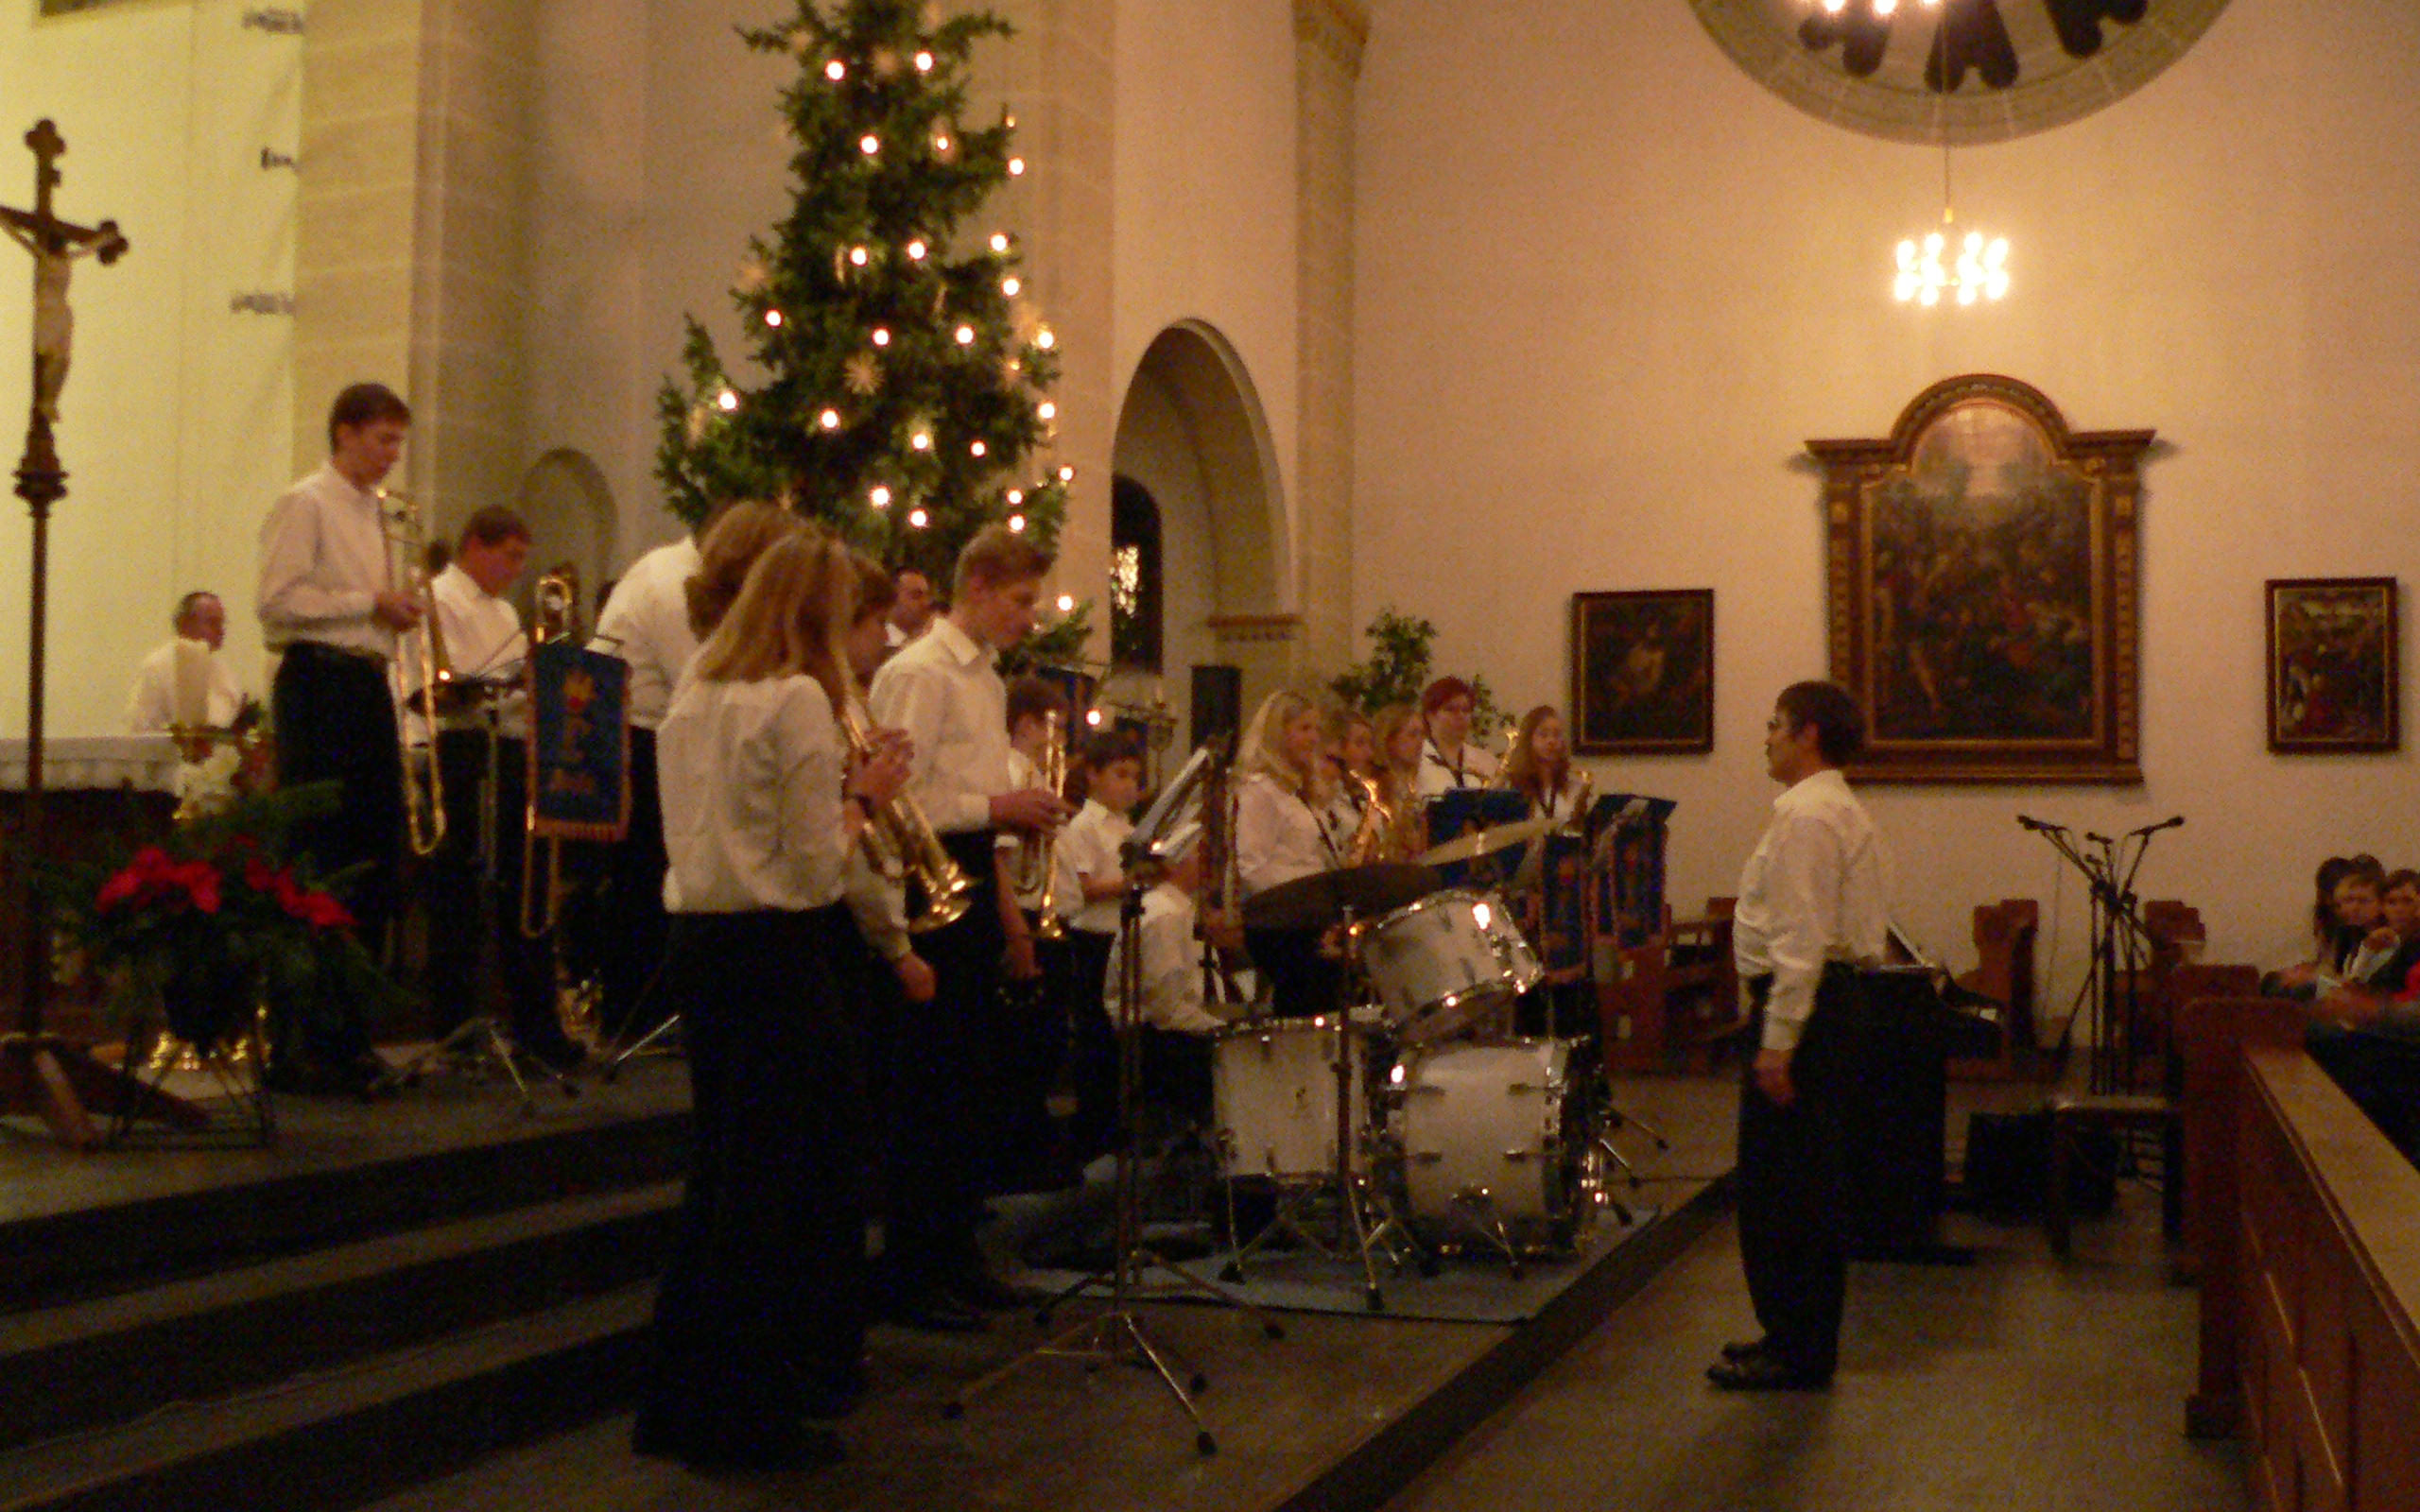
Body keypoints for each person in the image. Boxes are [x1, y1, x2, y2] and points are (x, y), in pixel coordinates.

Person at [631, 528, 911, 1473]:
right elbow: (814, 867)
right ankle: (747, 1415)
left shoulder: (695, 691)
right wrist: (863, 800)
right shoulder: (793, 698)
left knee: (720, 1178)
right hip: (774, 954)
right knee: (775, 1189)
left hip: (699, 944)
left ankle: (678, 1402)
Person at [866, 524, 1069, 1329]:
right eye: (1021, 600)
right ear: (976, 586)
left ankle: (955, 1252)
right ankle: (911, 1269)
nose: (1030, 616)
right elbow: (900, 797)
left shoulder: (983, 676)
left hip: (973, 874)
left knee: (966, 1081)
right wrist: (997, 806)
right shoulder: (920, 672)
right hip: (928, 883)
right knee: (926, 1082)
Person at [1712, 679, 1892, 1393]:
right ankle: (1791, 1334)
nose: (1767, 737)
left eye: (1776, 724)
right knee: (1797, 1182)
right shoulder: (1829, 807)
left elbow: (1801, 940)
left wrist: (1778, 1042)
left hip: (1808, 1015)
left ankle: (1798, 1348)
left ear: (1808, 733)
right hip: (1827, 1007)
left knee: (1785, 1190)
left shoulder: (1808, 816)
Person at [586, 503, 801, 1038]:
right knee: (644, 881)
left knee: (648, 878)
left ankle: (652, 1010)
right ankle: (638, 1015)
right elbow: (709, 674)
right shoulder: (670, 582)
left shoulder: (671, 570)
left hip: (648, 732)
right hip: (633, 739)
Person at [256, 382, 419, 1085]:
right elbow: (276, 601)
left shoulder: (378, 513)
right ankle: (300, 1043)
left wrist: (394, 612)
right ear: (345, 432)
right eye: (383, 439)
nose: (392, 454)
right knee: (320, 857)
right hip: (319, 686)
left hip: (364, 683)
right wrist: (369, 602)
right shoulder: (306, 502)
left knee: (370, 855)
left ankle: (349, 1034)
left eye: (397, 441)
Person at [402, 506, 586, 1072]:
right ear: (476, 546)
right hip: (461, 752)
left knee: (523, 889)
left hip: (509, 753)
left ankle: (534, 1023)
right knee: (459, 891)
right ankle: (456, 1026)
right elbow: (447, 683)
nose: (517, 569)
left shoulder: (505, 611)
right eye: (510, 556)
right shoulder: (439, 598)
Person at [1099, 830, 1236, 1134]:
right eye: (1200, 854)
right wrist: (1225, 1030)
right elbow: (1166, 1011)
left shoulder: (1174, 910)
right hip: (1156, 1042)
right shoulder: (1165, 916)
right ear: (1174, 864)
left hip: (1165, 1032)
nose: (1211, 862)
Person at [1057, 731, 1145, 1160]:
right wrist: (1132, 882)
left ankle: (1120, 1123)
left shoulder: (1128, 827)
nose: (1130, 786)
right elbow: (1085, 887)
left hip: (1122, 934)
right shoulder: (1084, 826)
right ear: (1092, 775)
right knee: (1096, 1034)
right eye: (1120, 775)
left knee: (1119, 1035)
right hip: (1094, 937)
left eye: (1135, 778)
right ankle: (1093, 1131)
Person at [1234, 689, 1343, 1017]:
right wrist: (1300, 904)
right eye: (1304, 728)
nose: (1314, 738)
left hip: (1310, 918)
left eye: (1316, 729)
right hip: (1281, 924)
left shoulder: (1299, 791)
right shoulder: (1260, 790)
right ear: (1278, 734)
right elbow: (1251, 866)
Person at [126, 591, 246, 732]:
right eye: (212, 623)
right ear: (185, 624)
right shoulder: (157, 667)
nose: (221, 631)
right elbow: (142, 726)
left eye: (222, 623)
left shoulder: (222, 669)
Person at [1498, 704, 1586, 825]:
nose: (1551, 741)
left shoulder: (1571, 784)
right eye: (1543, 735)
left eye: (1556, 735)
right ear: (1528, 740)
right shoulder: (1512, 786)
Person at [1415, 676, 1496, 796]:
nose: (1460, 716)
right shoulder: (1415, 759)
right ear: (1430, 715)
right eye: (1450, 709)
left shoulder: (1486, 761)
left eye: (1466, 710)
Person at [886, 565, 937, 649]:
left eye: (927, 596)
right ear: (892, 599)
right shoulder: (880, 646)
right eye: (916, 596)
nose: (926, 603)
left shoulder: (929, 643)